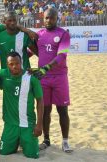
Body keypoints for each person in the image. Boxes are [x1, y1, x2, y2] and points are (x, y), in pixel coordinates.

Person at [31, 8, 73, 153]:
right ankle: (46, 139)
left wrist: (46, 67)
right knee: (45, 110)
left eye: (52, 18)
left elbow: (62, 56)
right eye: (46, 18)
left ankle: (65, 141)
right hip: (43, 78)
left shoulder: (63, 34)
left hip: (59, 77)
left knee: (62, 110)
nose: (48, 20)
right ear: (43, 18)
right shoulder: (39, 35)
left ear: (57, 18)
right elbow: (29, 51)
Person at [0, 52, 43, 158]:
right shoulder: (3, 74)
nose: (14, 66)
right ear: (7, 64)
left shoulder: (32, 77)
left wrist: (39, 125)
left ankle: (24, 141)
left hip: (28, 124)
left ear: (21, 62)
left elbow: (40, 101)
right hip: (10, 125)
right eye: (11, 64)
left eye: (17, 63)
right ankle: (17, 141)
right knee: (4, 153)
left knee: (32, 155)